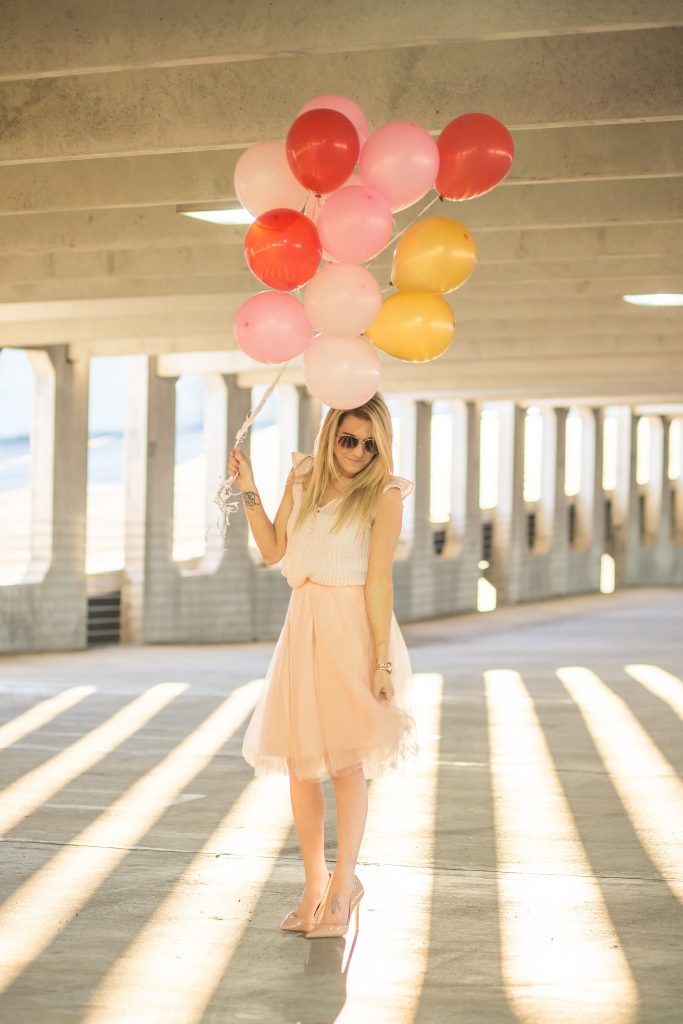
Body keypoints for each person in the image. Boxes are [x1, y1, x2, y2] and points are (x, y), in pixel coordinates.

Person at [227, 391, 418, 940]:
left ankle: (344, 884)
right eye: (348, 439)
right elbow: (272, 550)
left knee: (343, 764)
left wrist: (381, 660)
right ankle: (314, 885)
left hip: (350, 628)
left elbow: (379, 580)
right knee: (299, 762)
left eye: (368, 443)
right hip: (303, 623)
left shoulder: (384, 496)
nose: (357, 452)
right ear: (331, 433)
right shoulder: (305, 478)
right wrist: (249, 487)